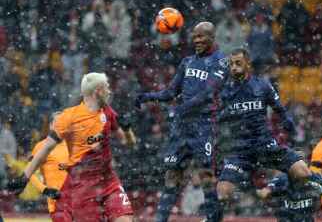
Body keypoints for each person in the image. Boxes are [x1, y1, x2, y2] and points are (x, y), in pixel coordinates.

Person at [216, 48, 322, 221]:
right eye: (231, 64)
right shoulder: (225, 91)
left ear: (247, 64)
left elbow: (280, 110)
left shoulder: (262, 85)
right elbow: (215, 116)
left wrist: (290, 129)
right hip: (241, 152)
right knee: (222, 193)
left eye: (238, 63)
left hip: (266, 146)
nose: (234, 68)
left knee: (301, 172)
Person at [8, 72, 135, 222]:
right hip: (83, 186)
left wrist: (127, 131)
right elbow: (46, 148)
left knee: (125, 220)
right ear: (98, 91)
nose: (109, 91)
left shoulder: (107, 111)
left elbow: (130, 143)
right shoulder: (69, 117)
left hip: (109, 180)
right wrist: (25, 177)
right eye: (106, 87)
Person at [135, 21, 229, 222]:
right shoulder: (187, 62)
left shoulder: (221, 61)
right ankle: (160, 220)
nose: (196, 40)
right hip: (181, 127)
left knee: (205, 174)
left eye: (201, 36)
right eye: (194, 36)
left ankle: (213, 218)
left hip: (204, 124)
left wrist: (183, 108)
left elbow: (208, 92)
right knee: (172, 175)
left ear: (212, 37)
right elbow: (170, 92)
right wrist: (148, 96)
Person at [29, 111, 70, 221]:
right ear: (51, 125)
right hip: (58, 205)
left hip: (79, 202)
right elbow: (29, 173)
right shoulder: (41, 146)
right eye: (58, 122)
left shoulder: (74, 145)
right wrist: (45, 190)